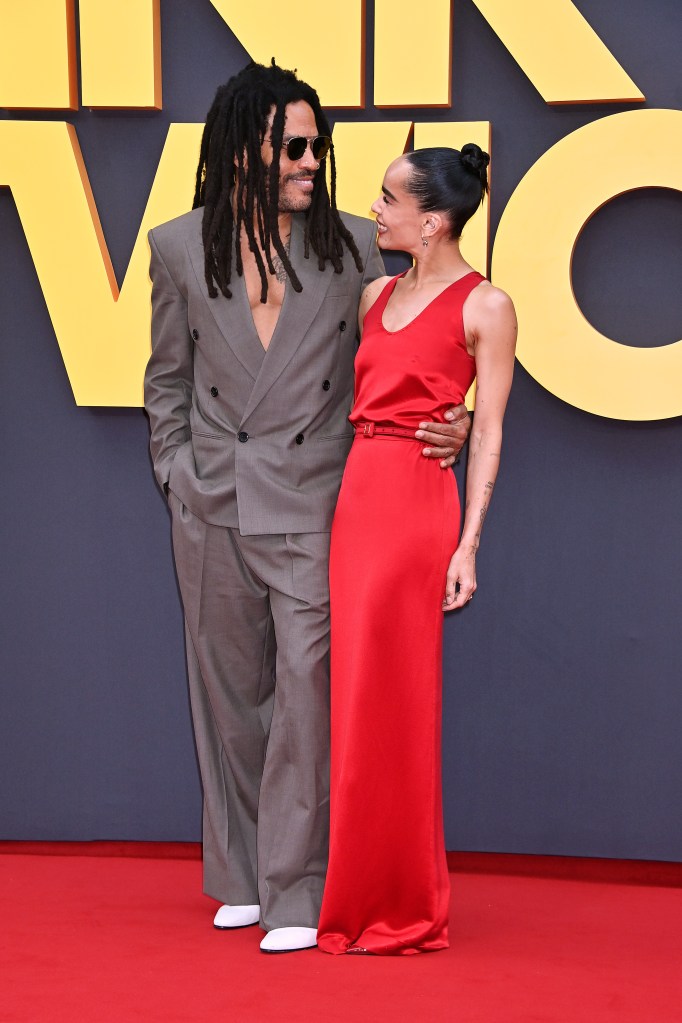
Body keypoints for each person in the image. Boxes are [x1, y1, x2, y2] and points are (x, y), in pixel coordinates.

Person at [144, 61, 470, 954]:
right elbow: (165, 380)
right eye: (293, 145)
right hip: (212, 503)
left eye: (317, 145)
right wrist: (177, 471)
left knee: (305, 702)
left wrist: (457, 418)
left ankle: (295, 887)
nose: (311, 161)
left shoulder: (355, 249)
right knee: (227, 702)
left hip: (319, 503)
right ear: (244, 147)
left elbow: (437, 329)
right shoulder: (178, 246)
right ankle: (242, 875)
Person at [317, 145, 517, 955]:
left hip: (415, 506)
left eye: (389, 198)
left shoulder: (488, 305)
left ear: (431, 221)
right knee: (355, 697)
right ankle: (354, 893)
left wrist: (468, 544)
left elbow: (492, 427)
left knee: (397, 703)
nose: (375, 207)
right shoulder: (374, 291)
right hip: (358, 495)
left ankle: (405, 904)